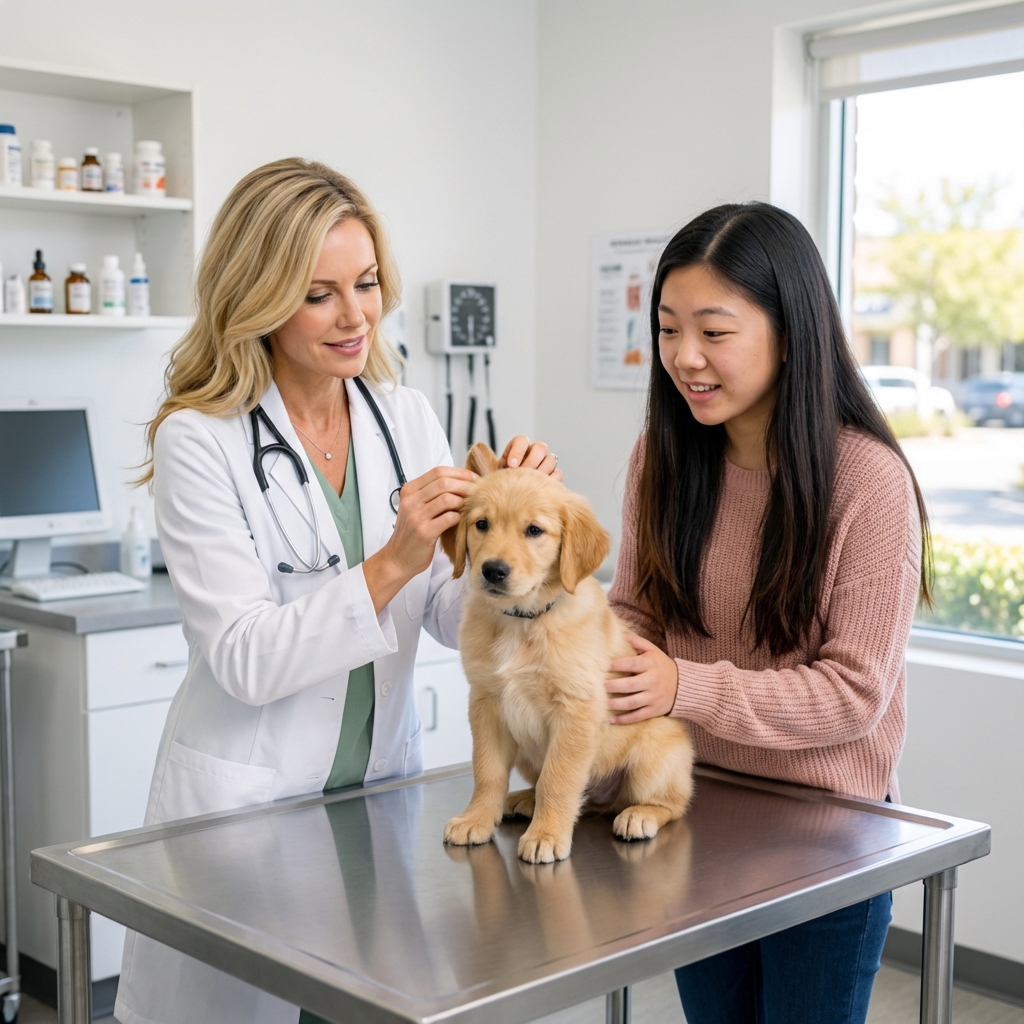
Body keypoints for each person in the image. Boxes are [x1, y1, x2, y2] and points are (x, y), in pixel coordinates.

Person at [114, 158, 559, 1024]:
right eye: (319, 294)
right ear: (258, 296)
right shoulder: (199, 440)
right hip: (246, 817)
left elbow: (440, 612)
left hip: (369, 811)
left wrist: (507, 533)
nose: (355, 316)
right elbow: (242, 659)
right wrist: (393, 557)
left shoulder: (406, 415)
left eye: (366, 283)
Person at [605, 202, 930, 1024]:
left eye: (714, 332)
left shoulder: (868, 481)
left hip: (829, 838)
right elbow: (635, 612)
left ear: (791, 330)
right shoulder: (664, 455)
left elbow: (855, 693)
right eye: (670, 328)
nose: (684, 357)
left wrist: (684, 687)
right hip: (693, 814)